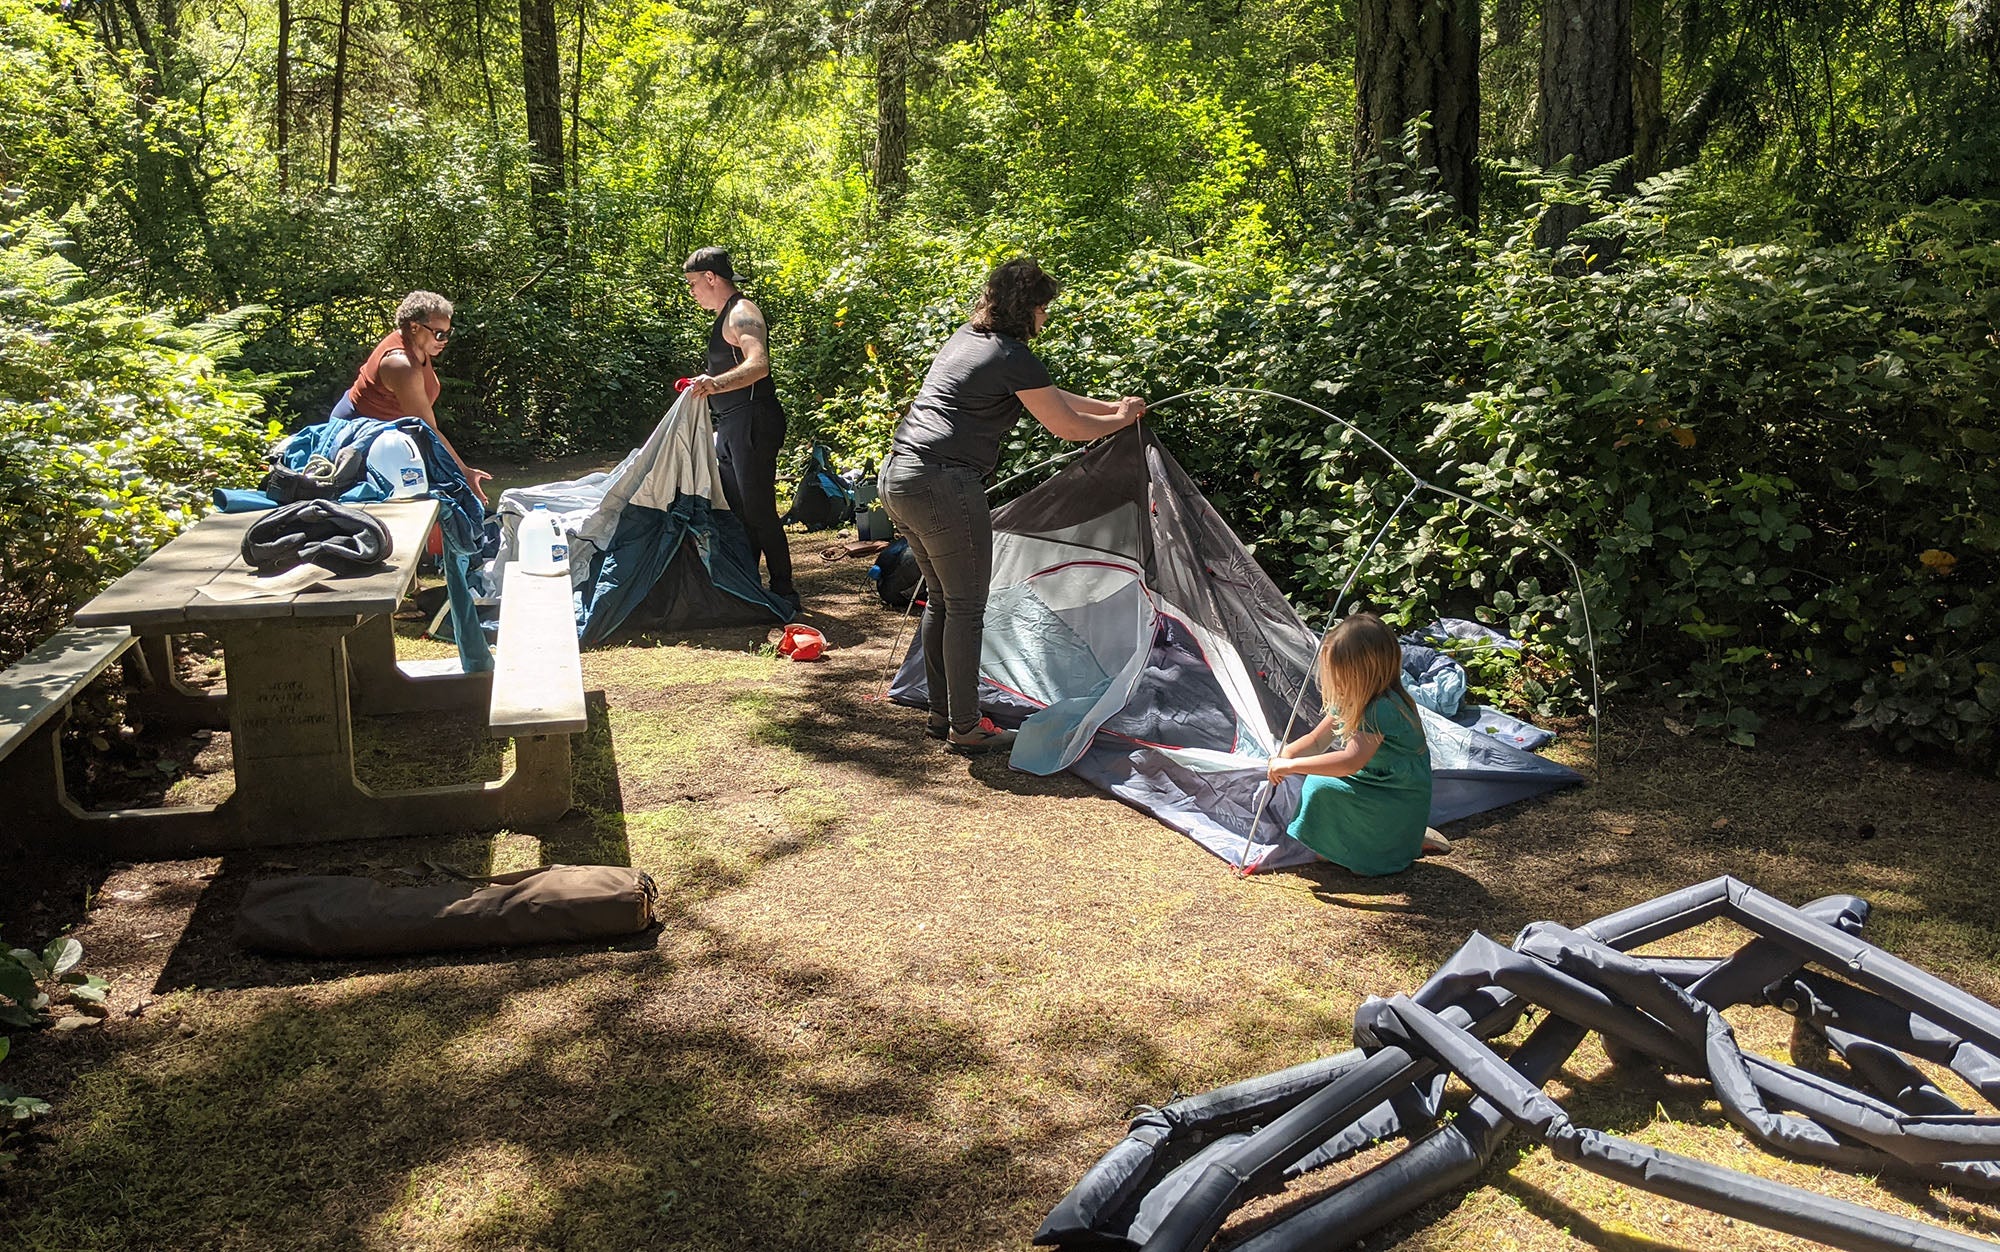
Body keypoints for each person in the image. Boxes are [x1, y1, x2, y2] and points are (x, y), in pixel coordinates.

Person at [877, 258, 1146, 753]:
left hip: (899, 476)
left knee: (943, 600)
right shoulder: (1011, 353)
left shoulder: (967, 339)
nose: (1045, 319)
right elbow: (1064, 427)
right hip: (943, 483)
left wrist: (1112, 408)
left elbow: (1052, 397)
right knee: (965, 606)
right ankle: (966, 727)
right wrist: (1119, 424)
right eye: (1044, 309)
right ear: (1031, 309)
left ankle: (944, 715)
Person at [1266, 612, 1451, 875]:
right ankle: (1388, 839)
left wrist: (1293, 765)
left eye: (1337, 675)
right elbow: (1317, 741)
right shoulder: (1352, 697)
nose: (1333, 683)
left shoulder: (1380, 709)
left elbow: (1350, 762)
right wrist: (1288, 752)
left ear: (1362, 673)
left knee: (1319, 785)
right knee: (1318, 783)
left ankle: (1389, 845)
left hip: (1395, 796)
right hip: (1375, 784)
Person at [681, 247, 797, 607]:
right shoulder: (723, 317)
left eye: (693, 284)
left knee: (759, 508)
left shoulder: (742, 313)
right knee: (739, 510)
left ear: (711, 278)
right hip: (731, 422)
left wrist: (714, 383)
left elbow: (758, 365)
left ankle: (784, 590)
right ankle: (748, 581)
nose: (692, 292)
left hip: (753, 420)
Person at [336, 290, 491, 505]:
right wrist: (463, 471)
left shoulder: (418, 344)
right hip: (358, 431)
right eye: (439, 333)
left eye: (448, 333)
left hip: (389, 433)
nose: (444, 340)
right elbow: (427, 428)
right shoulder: (401, 364)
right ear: (414, 326)